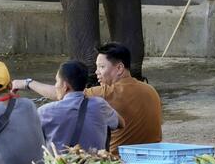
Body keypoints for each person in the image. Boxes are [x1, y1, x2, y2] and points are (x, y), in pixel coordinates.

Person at [13, 42, 162, 154]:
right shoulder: (151, 89)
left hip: (119, 162)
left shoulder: (106, 93)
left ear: (120, 68)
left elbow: (65, 95)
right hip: (154, 156)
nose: (97, 72)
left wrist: (27, 83)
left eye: (102, 67)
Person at [35, 59, 123, 152]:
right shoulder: (100, 105)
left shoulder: (44, 112)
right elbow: (121, 123)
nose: (56, 85)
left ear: (65, 86)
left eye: (57, 81)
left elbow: (32, 140)